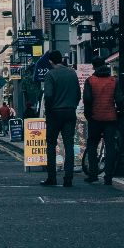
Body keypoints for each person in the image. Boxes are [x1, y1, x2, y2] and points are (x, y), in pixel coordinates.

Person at [39, 51, 80, 187]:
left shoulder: (50, 74)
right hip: (70, 112)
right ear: (61, 59)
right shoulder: (72, 73)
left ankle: (52, 178)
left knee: (51, 145)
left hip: (55, 113)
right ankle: (68, 178)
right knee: (69, 145)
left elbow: (49, 96)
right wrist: (72, 106)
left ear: (50, 62)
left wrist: (49, 111)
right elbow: (78, 94)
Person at [81, 60, 121, 183]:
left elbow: (87, 99)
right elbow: (118, 99)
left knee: (92, 146)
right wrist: (121, 113)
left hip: (95, 118)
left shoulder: (90, 81)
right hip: (110, 118)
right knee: (110, 147)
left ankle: (93, 174)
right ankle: (108, 177)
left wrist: (88, 115)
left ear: (94, 67)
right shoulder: (114, 81)